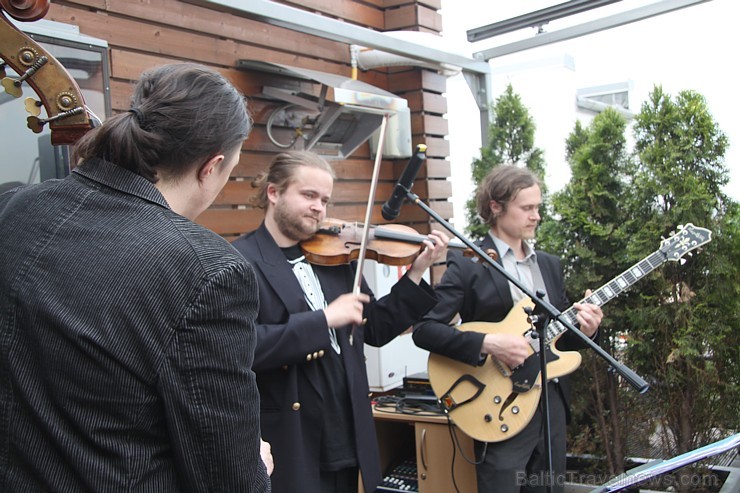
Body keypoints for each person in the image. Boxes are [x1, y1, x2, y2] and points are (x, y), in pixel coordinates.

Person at [0, 63, 271, 492]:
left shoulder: (17, 207)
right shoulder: (208, 270)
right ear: (211, 166)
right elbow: (227, 478)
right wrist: (255, 462)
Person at [231, 150, 449, 493]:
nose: (319, 207)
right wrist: (323, 321)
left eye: (325, 199)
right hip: (293, 436)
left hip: (346, 429)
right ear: (273, 193)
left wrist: (417, 271)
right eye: (308, 195)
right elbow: (243, 347)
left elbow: (374, 328)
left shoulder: (337, 257)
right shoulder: (241, 261)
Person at [413, 165, 603, 493]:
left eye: (538, 208)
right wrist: (489, 343)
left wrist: (589, 328)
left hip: (551, 405)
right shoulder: (468, 262)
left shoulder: (549, 265)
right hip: (498, 404)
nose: (537, 216)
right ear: (496, 207)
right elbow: (425, 329)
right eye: (527, 208)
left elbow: (559, 338)